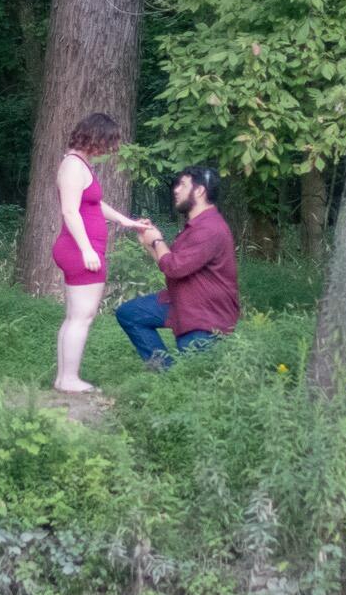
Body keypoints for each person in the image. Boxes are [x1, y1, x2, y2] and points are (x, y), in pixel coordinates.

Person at [51, 112, 152, 395]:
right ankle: (69, 379)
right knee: (82, 316)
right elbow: (70, 210)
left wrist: (126, 221)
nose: (108, 150)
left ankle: (63, 378)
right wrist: (86, 249)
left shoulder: (80, 165)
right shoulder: (73, 166)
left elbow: (94, 205)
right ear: (94, 137)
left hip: (81, 248)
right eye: (107, 143)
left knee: (75, 316)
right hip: (79, 249)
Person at [116, 166, 240, 370]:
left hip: (205, 315)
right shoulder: (196, 226)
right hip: (183, 301)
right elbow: (169, 263)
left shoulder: (210, 229)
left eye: (182, 185)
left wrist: (157, 241)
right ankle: (165, 373)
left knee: (195, 380)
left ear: (199, 191)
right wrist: (149, 242)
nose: (175, 190)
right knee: (131, 314)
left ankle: (171, 379)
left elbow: (174, 267)